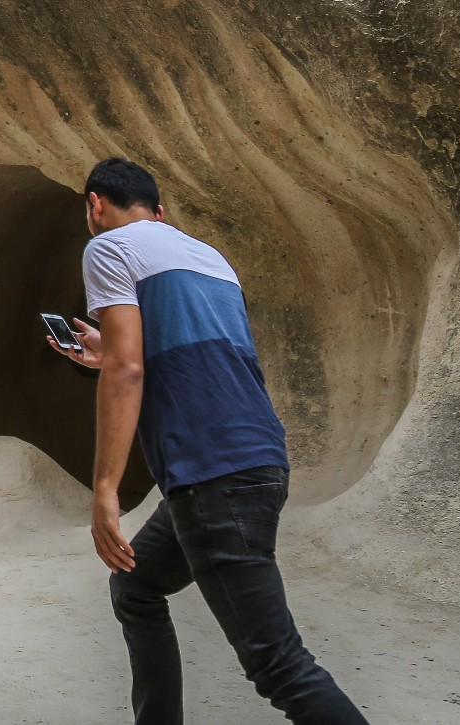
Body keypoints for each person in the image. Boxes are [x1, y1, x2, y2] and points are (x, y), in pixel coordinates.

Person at [50, 156, 368, 725]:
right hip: (256, 458)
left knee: (279, 666)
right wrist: (113, 349)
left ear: (94, 204)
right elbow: (188, 354)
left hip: (213, 474)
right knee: (136, 587)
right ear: (161, 212)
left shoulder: (107, 248)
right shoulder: (210, 258)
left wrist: (105, 488)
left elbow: (128, 372)